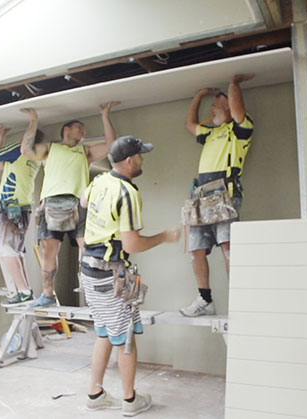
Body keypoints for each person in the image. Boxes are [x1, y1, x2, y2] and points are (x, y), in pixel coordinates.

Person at [80, 136, 181, 415]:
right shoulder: (127, 192)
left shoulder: (100, 181)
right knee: (125, 337)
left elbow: (82, 201)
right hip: (111, 275)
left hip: (89, 269)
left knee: (103, 333)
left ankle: (95, 393)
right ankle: (129, 400)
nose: (143, 160)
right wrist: (165, 236)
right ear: (129, 161)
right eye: (140, 155)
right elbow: (132, 245)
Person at [20, 102, 120, 307]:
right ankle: (48, 294)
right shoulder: (50, 149)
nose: (83, 131)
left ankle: (99, 294)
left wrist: (105, 114)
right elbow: (25, 149)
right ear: (66, 130)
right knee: (49, 251)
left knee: (89, 249)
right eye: (79, 127)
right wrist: (33, 121)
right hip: (51, 204)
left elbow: (112, 146)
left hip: (79, 204)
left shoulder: (85, 152)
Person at [180, 73, 256, 317]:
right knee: (196, 249)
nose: (212, 109)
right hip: (201, 196)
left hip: (225, 193)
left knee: (228, 247)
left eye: (216, 105)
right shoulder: (210, 134)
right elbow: (190, 125)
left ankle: (240, 300)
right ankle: (205, 299)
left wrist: (233, 84)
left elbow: (238, 109)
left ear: (227, 108)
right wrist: (199, 96)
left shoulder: (240, 129)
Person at [0, 116, 43, 306]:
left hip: (11, 208)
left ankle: (24, 292)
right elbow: (1, 165)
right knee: (16, 251)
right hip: (21, 209)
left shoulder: (19, 150)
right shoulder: (35, 157)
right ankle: (26, 291)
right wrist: (1, 139)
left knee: (6, 250)